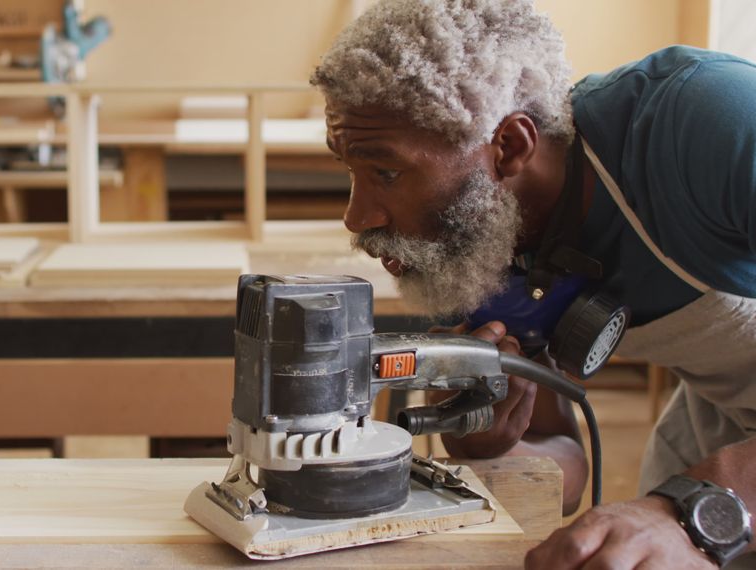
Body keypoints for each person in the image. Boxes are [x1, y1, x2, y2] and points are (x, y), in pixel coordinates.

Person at [311, 1, 756, 568]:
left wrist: (696, 510)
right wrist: (494, 442)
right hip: (723, 429)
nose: (356, 217)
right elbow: (566, 465)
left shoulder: (711, 123)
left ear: (511, 146)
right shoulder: (480, 239)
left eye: (387, 172)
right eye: (350, 170)